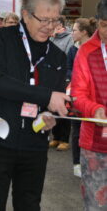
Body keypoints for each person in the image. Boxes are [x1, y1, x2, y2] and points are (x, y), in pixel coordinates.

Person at [0, 0, 71, 211]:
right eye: (44, 19)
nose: (50, 26)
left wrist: (49, 117)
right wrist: (47, 96)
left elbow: (53, 99)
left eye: (55, 20)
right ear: (26, 14)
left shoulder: (57, 56)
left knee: (29, 204)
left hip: (34, 145)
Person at [71, 0, 107, 210]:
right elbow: (78, 94)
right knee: (96, 204)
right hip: (95, 144)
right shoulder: (86, 51)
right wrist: (96, 109)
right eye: (104, 25)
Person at [67, 17, 97, 178]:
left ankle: (93, 162)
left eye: (75, 30)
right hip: (77, 96)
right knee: (77, 130)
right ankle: (77, 163)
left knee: (96, 129)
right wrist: (78, 77)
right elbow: (68, 69)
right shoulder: (73, 49)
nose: (72, 33)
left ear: (84, 32)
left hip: (95, 97)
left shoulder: (98, 49)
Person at [49, 15, 74, 151]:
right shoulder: (51, 37)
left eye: (54, 23)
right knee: (53, 108)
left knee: (64, 108)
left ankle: (64, 139)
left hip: (63, 78)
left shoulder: (69, 38)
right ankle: (56, 137)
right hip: (51, 76)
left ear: (61, 25)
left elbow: (66, 57)